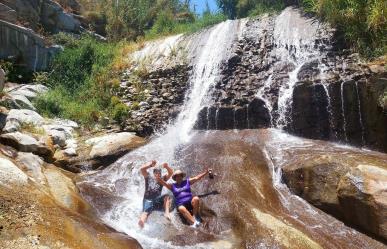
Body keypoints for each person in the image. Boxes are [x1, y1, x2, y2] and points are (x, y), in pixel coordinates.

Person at [138, 160, 173, 228]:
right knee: (146, 213)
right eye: (156, 173)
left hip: (157, 201)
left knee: (167, 196)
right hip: (148, 200)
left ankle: (167, 213)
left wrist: (167, 167)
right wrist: (150, 165)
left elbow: (171, 173)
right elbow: (142, 169)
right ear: (154, 173)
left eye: (159, 173)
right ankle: (140, 224)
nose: (158, 174)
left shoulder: (162, 179)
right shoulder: (148, 177)